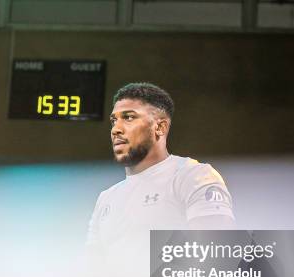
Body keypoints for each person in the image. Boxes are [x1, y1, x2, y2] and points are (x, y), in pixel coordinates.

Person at [86, 82, 235, 263]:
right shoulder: (106, 198)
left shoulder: (193, 176)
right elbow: (91, 270)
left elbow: (218, 255)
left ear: (160, 127)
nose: (116, 129)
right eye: (114, 120)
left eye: (129, 118)